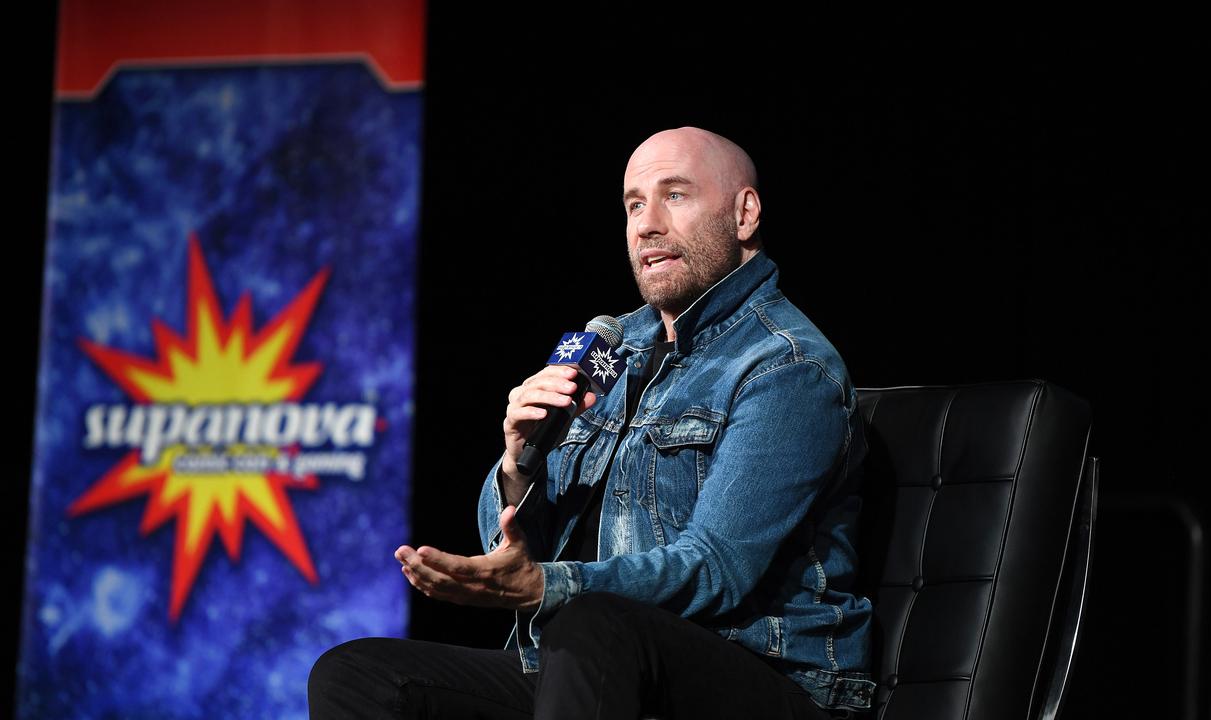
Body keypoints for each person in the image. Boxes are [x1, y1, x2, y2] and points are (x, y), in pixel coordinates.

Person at [309, 127, 875, 718]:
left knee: (593, 623)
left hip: (768, 679)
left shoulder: (786, 366)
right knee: (357, 676)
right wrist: (519, 462)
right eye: (634, 203)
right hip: (588, 661)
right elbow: (511, 543)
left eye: (674, 195)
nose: (646, 224)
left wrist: (545, 588)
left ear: (744, 213)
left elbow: (715, 569)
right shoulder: (610, 349)